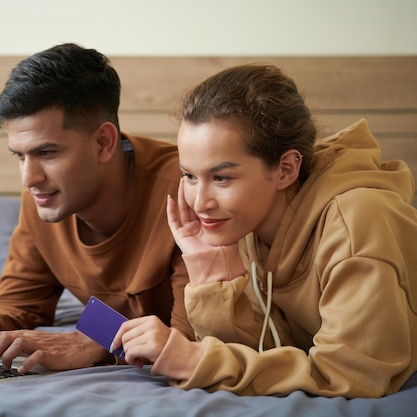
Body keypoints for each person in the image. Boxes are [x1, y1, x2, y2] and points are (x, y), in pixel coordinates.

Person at [111, 63, 417, 398]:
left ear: (286, 169)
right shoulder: (247, 224)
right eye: (189, 175)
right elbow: (265, 353)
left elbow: (353, 376)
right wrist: (212, 274)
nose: (200, 203)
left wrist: (192, 359)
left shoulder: (358, 221)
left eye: (222, 177)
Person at [0, 43, 194, 373]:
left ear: (103, 143)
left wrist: (93, 342)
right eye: (19, 155)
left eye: (47, 153)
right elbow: (21, 301)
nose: (29, 178)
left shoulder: (190, 193)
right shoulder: (44, 197)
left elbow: (193, 340)